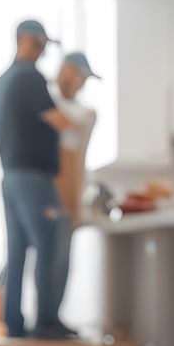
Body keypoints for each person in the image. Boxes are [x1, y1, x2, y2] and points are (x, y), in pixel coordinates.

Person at [0, 19, 78, 340]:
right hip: (34, 180)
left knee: (17, 251)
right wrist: (79, 119)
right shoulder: (30, 77)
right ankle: (47, 322)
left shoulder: (2, 80)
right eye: (40, 44)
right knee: (49, 246)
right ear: (26, 40)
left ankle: (13, 323)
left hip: (11, 178)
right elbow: (60, 121)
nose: (42, 51)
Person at [46, 51, 101, 317]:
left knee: (62, 259)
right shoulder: (45, 98)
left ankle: (52, 318)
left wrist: (78, 201)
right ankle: (42, 319)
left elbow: (79, 159)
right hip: (46, 189)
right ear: (67, 70)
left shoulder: (84, 113)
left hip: (69, 190)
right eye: (81, 77)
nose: (82, 84)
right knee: (44, 257)